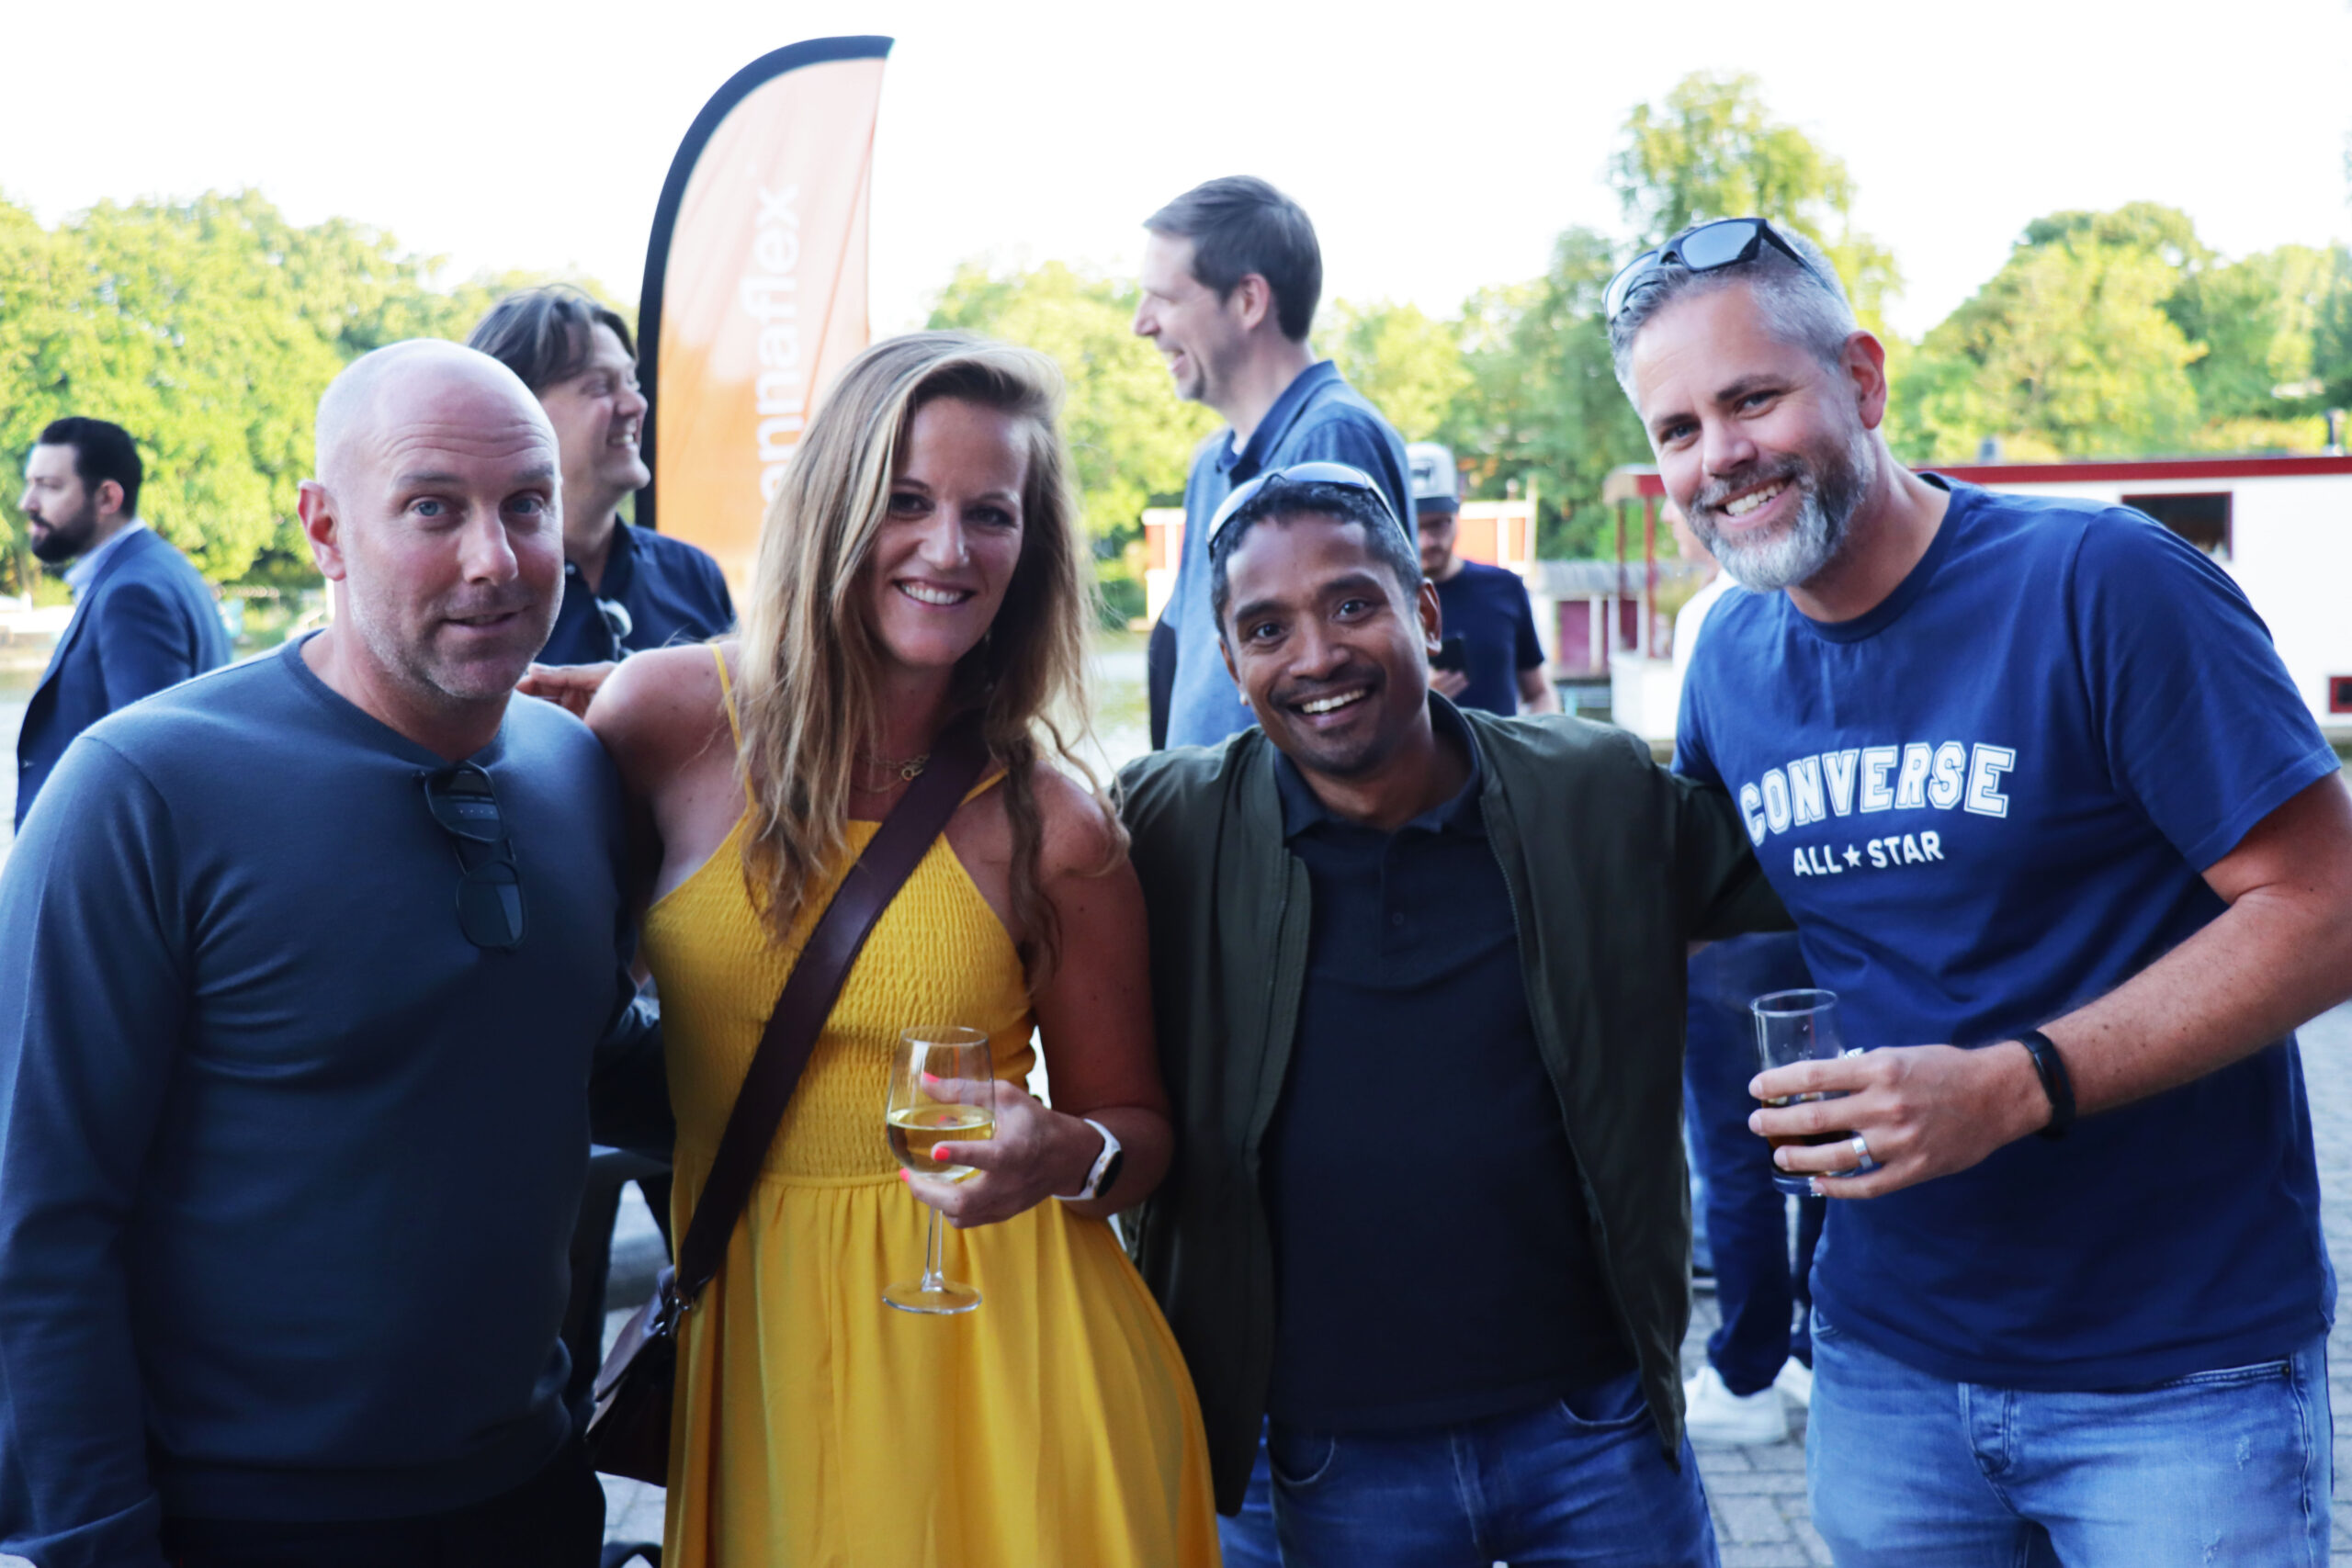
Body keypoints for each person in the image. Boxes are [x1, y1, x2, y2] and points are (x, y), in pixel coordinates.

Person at [1611, 216, 2352, 1564]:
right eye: (1677, 429)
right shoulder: (1728, 662)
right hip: (1885, 1362)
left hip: (2175, 1370)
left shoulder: (2103, 583)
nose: (1719, 455)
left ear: (1863, 379)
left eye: (1753, 398)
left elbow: (2326, 907)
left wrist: (2016, 1083)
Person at [0, 341, 665, 1568]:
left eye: (526, 504)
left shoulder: (576, 769)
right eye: (432, 508)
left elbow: (585, 1051)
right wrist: (92, 1537)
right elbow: (36, 1214)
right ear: (325, 528)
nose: (493, 557)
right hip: (241, 1522)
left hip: (533, 1490)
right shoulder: (143, 789)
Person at [581, 331, 1218, 1567]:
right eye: (907, 500)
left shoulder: (1053, 823)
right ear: (835, 507)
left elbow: (1136, 1133)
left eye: (992, 514)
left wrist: (1059, 1152)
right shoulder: (663, 723)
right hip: (757, 1340)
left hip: (1007, 1361)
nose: (948, 548)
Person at [1116, 463, 1789, 1566]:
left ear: (1424, 612)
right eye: (1267, 628)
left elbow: (1831, 865)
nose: (1317, 655)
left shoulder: (1594, 793)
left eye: (1351, 604)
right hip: (1320, 1460)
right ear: (1230, 663)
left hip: (1597, 1429)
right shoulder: (1166, 827)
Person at [1134, 175, 1410, 749]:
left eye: (1165, 299)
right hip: (1211, 803)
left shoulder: (1331, 439)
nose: (1143, 324)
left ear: (1248, 301)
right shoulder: (1210, 464)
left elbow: (1345, 698)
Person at [1667, 507, 1822, 1448]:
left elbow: (1695, 792)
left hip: (1735, 925)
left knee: (1738, 1157)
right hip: (1818, 920)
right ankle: (1809, 1343)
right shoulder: (1828, 594)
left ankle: (1746, 1369)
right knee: (1826, 1142)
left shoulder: (1716, 614)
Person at [468, 286, 734, 666]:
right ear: (516, 409)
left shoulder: (692, 576)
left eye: (632, 382)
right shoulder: (476, 592)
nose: (636, 404)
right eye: (601, 386)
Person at [14, 416, 231, 829]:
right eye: (30, 484)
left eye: (49, 486)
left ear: (107, 497)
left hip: (105, 856)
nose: (28, 503)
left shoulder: (131, 592)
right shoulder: (160, 565)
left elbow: (149, 767)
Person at [1408, 441, 1555, 716]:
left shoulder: (1506, 587)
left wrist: (1535, 736)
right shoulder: (1383, 603)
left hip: (1503, 745)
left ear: (1458, 512)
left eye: (1439, 524)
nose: (1427, 541)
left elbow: (1540, 694)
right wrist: (1418, 699)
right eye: (1416, 527)